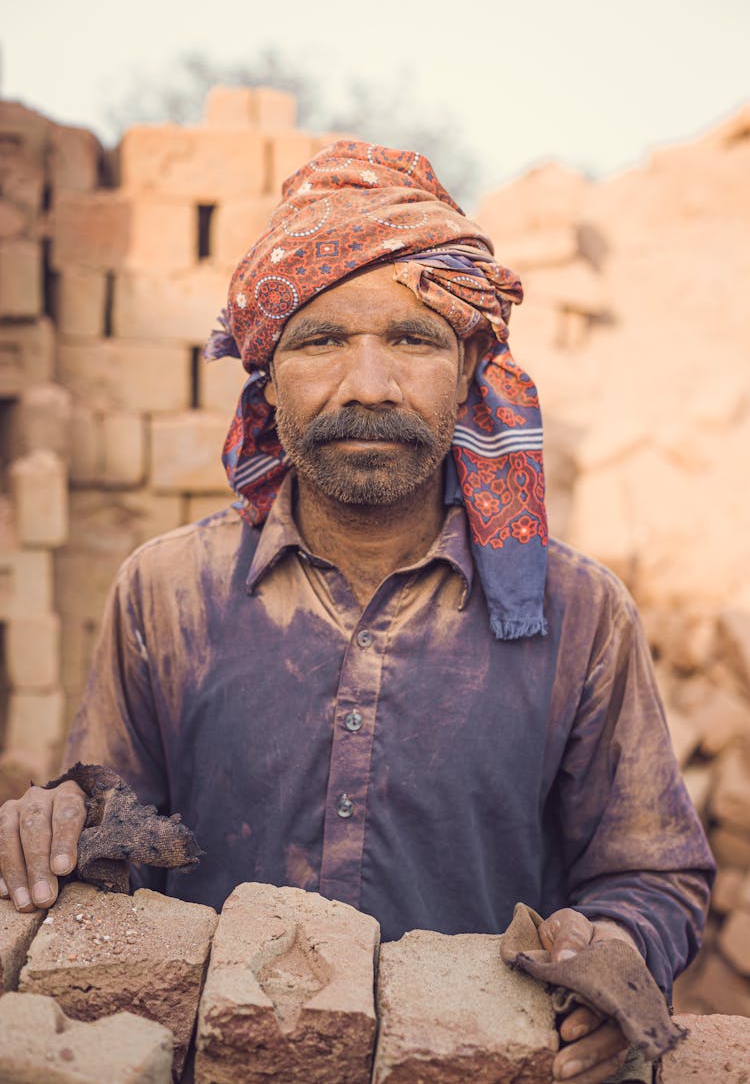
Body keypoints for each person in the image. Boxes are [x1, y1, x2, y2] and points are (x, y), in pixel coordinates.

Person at [0, 141, 713, 1083]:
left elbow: (652, 872)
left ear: (467, 368)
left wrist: (622, 945)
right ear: (268, 375)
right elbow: (112, 838)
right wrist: (58, 824)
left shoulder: (579, 612)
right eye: (322, 340)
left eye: (412, 341)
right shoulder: (164, 590)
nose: (369, 385)